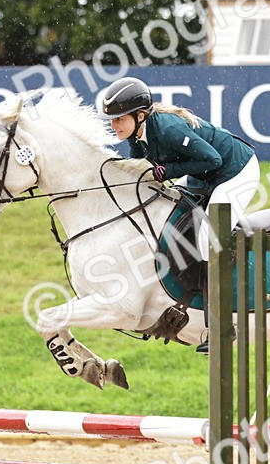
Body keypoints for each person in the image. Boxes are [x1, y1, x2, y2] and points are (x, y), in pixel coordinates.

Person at [100, 76, 260, 353]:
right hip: (205, 175)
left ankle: (222, 328)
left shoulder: (168, 127)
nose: (114, 126)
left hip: (234, 172)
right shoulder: (138, 136)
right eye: (112, 120)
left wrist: (168, 172)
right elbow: (145, 170)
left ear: (139, 116)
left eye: (119, 119)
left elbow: (213, 160)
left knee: (209, 241)